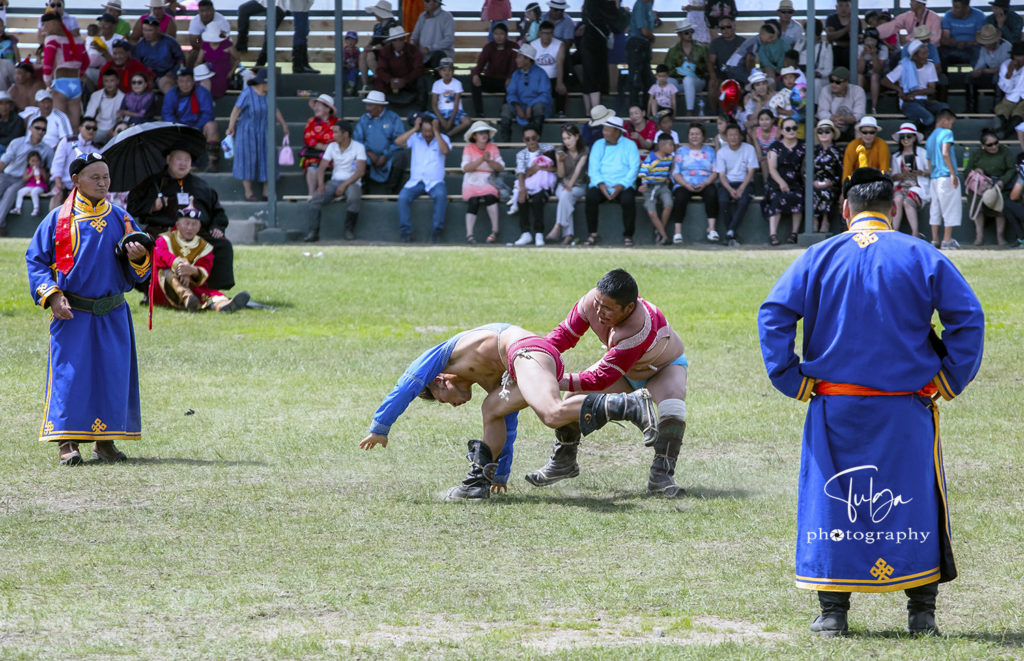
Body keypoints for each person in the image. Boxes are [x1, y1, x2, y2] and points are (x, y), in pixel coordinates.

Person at [757, 166, 984, 638]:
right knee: (913, 501)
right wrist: (947, 379)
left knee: (832, 500)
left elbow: (774, 313)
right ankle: (922, 614)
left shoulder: (818, 255)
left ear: (846, 210)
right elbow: (968, 318)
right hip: (905, 408)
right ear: (894, 210)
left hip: (834, 408)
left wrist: (790, 377)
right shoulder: (922, 254)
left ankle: (832, 614)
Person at [359, 322, 658, 501]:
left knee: (551, 414)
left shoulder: (441, 357)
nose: (451, 404)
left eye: (442, 398)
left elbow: (407, 385)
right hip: (529, 357)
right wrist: (501, 473)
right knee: (492, 409)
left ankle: (627, 404)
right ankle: (479, 482)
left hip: (527, 352)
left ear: (440, 380)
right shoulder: (486, 379)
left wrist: (379, 427)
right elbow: (508, 419)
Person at [26, 153, 152, 465]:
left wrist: (138, 258)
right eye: (94, 177)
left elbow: (141, 271)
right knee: (72, 377)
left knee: (112, 375)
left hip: (113, 313)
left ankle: (105, 442)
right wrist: (53, 296)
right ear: (76, 180)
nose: (102, 183)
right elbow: (37, 261)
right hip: (73, 314)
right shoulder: (57, 220)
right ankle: (67, 442)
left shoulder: (121, 218)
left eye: (106, 177)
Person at [527, 269, 689, 497]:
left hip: (663, 368)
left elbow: (601, 378)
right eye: (598, 303)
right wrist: (531, 358)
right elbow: (564, 335)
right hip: (624, 369)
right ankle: (564, 461)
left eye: (608, 308)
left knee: (673, 408)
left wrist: (552, 379)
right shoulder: (590, 302)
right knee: (572, 399)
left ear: (629, 308)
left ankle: (661, 476)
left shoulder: (639, 329)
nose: (599, 312)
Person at [127, 145, 234, 291]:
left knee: (222, 245)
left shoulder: (200, 185)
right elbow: (132, 206)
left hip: (195, 234)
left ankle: (211, 290)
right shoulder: (154, 183)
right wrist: (151, 206)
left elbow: (218, 211)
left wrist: (217, 227)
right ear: (169, 160)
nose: (183, 163)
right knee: (144, 247)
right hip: (162, 233)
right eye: (179, 159)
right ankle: (151, 289)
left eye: (187, 160)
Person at [153, 207, 249, 313]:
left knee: (208, 296)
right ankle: (186, 297)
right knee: (166, 272)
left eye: (194, 224)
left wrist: (192, 271)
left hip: (191, 286)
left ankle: (222, 306)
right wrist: (180, 267)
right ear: (178, 224)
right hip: (164, 289)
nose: (190, 228)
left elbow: (205, 268)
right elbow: (160, 256)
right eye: (187, 223)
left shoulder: (204, 247)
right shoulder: (165, 239)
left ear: (199, 227)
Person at [226, 69, 289, 202]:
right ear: (263, 82)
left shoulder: (269, 95)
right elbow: (236, 109)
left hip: (265, 132)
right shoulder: (247, 92)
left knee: (268, 159)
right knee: (247, 160)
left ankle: (267, 193)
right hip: (247, 132)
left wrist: (283, 124)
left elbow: (275, 109)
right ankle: (249, 193)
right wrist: (231, 126)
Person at [303, 121, 366, 242]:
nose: (333, 135)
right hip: (335, 181)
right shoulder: (332, 146)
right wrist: (321, 184)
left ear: (346, 134)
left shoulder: (359, 147)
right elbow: (321, 168)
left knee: (354, 198)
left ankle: (349, 230)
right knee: (315, 199)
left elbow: (360, 171)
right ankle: (313, 232)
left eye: (336, 132)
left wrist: (344, 185)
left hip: (352, 182)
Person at [584, 115, 640, 246]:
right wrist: (601, 185)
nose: (604, 133)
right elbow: (593, 168)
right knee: (591, 197)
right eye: (604, 129)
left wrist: (621, 186)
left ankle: (628, 235)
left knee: (628, 200)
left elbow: (634, 168)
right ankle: (592, 234)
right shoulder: (598, 144)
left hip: (623, 185)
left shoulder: (630, 145)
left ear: (617, 132)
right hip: (601, 184)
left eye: (607, 130)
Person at [396, 113, 450, 242]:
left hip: (435, 182)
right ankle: (406, 233)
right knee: (402, 198)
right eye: (425, 130)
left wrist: (436, 132)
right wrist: (415, 129)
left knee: (441, 195)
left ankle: (436, 232)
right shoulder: (415, 137)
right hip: (416, 182)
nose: (427, 134)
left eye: (430, 131)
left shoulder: (443, 138)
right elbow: (398, 142)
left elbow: (445, 151)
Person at [0, 117, 53, 234]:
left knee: (11, 192)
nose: (40, 132)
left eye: (44, 130)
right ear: (30, 128)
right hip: (7, 175)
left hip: (25, 179)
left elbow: (50, 170)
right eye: (37, 128)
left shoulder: (47, 150)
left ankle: (0, 223)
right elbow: (4, 161)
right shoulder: (17, 142)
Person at [162, 67, 221, 172]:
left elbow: (208, 114)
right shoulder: (171, 94)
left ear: (193, 81)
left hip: (198, 127)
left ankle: (213, 162)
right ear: (177, 82)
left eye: (188, 81)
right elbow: (167, 114)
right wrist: (179, 127)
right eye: (182, 81)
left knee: (212, 126)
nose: (185, 85)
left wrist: (195, 128)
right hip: (178, 128)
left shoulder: (202, 93)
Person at [963, 127, 1015, 245]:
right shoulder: (978, 154)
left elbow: (1011, 169)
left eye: (996, 143)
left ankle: (1000, 237)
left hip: (998, 185)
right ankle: (979, 236)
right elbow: (967, 171)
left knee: (1001, 204)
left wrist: (1002, 181)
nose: (994, 147)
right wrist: (976, 171)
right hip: (981, 186)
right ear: (983, 145)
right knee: (975, 199)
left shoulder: (1005, 151)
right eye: (990, 145)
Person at [883, 40, 945, 130]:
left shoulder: (930, 66)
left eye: (927, 53)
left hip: (924, 101)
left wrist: (915, 93)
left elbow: (932, 89)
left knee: (944, 109)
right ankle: (918, 135)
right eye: (923, 54)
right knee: (928, 118)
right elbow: (885, 81)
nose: (926, 56)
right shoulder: (903, 66)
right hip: (909, 102)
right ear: (914, 56)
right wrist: (900, 90)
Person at [509, 126, 556, 246]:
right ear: (524, 141)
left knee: (537, 200)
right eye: (527, 139)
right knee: (522, 199)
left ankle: (539, 234)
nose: (531, 142)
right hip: (528, 183)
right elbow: (521, 173)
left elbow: (555, 167)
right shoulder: (521, 154)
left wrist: (537, 168)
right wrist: (522, 190)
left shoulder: (548, 148)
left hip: (545, 183)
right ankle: (525, 234)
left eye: (533, 138)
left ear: (538, 138)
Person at [671, 122, 717, 244]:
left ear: (703, 136)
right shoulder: (681, 151)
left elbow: (715, 171)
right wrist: (686, 185)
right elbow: (676, 173)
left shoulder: (710, 151)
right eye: (691, 134)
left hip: (704, 183)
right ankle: (677, 232)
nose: (694, 136)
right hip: (685, 183)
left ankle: (711, 229)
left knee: (712, 194)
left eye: (697, 134)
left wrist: (706, 183)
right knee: (680, 197)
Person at [40, 11, 87, 131]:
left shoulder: (52, 38)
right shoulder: (78, 39)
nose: (44, 29)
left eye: (45, 25)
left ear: (54, 23)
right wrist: (80, 74)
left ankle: (63, 149)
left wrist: (47, 79)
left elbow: (49, 59)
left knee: (60, 124)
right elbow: (86, 61)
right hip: (75, 83)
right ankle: (74, 148)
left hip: (60, 83)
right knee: (74, 125)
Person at [354, 90, 407, 194]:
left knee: (401, 157)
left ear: (379, 106)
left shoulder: (393, 117)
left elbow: (399, 140)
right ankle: (364, 187)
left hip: (389, 156)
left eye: (370, 105)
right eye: (367, 105)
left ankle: (391, 189)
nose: (367, 109)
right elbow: (357, 140)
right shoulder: (364, 119)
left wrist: (385, 155)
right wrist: (368, 153)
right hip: (369, 156)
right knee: (358, 156)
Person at [713, 122, 757, 246]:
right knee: (723, 201)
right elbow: (721, 175)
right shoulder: (722, 152)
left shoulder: (749, 149)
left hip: (745, 183)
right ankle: (731, 233)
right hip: (727, 184)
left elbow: (751, 172)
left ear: (741, 136)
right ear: (726, 138)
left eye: (736, 135)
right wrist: (731, 190)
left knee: (743, 201)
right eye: (730, 135)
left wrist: (741, 188)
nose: (733, 138)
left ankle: (730, 232)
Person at [764, 117, 806, 245]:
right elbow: (772, 169)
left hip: (796, 182)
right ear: (782, 131)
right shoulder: (775, 147)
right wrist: (781, 183)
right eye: (788, 128)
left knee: (798, 197)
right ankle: (773, 235)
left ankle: (794, 234)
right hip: (777, 182)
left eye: (794, 128)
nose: (791, 131)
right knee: (776, 198)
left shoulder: (803, 145)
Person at [461, 120, 503, 244]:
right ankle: (469, 235)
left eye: (485, 132)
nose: (483, 134)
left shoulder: (493, 148)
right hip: (471, 180)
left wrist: (489, 161)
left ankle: (495, 231)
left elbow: (500, 167)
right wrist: (481, 159)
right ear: (474, 136)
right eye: (480, 133)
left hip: (488, 180)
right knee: (473, 201)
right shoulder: (468, 148)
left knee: (491, 197)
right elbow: (466, 168)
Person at [499, 44, 552, 143]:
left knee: (539, 107)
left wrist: (530, 106)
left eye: (519, 57)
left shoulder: (541, 73)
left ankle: (536, 140)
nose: (516, 59)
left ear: (527, 59)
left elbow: (545, 95)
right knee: (506, 108)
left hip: (534, 107)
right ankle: (505, 143)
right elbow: (511, 93)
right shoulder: (516, 74)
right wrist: (517, 106)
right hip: (520, 106)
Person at [926, 108, 962, 249]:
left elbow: (929, 160)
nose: (951, 126)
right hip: (946, 176)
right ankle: (947, 241)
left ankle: (935, 240)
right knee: (950, 209)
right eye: (951, 122)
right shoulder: (947, 133)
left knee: (935, 209)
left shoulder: (929, 137)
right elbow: (945, 153)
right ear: (944, 120)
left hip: (934, 178)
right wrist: (953, 173)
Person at [546, 124, 587, 244]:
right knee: (565, 196)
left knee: (565, 196)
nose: (567, 141)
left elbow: (578, 169)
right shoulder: (560, 150)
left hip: (579, 185)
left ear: (577, 137)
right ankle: (568, 235)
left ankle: (558, 225)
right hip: (562, 184)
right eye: (564, 138)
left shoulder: (584, 150)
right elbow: (561, 175)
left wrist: (570, 185)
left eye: (569, 138)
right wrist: (561, 162)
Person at [889, 122, 931, 238]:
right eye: (903, 137)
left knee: (907, 202)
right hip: (901, 185)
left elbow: (930, 171)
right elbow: (893, 177)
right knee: (897, 200)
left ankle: (915, 233)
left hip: (918, 186)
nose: (905, 139)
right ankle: (894, 232)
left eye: (909, 136)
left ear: (914, 138)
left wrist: (920, 172)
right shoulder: (896, 156)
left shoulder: (923, 153)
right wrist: (902, 174)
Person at [48, 117, 98, 212]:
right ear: (80, 128)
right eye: (88, 127)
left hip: (81, 184)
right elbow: (57, 163)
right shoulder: (67, 141)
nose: (91, 130)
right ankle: (54, 223)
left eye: (94, 129)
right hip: (61, 180)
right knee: (56, 195)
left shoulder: (96, 150)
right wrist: (58, 182)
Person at [375, 27, 431, 110]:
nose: (398, 43)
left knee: (422, 80)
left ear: (404, 40)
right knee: (378, 81)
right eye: (395, 40)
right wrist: (390, 80)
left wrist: (405, 80)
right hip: (391, 83)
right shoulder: (385, 51)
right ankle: (380, 108)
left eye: (401, 40)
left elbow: (418, 69)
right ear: (391, 42)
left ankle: (421, 109)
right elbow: (381, 69)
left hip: (410, 83)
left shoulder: (413, 50)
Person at [469, 22, 516, 117]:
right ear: (493, 35)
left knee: (514, 84)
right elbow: (480, 65)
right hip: (491, 79)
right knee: (474, 80)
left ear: (506, 35)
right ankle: (479, 112)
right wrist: (475, 75)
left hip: (506, 80)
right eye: (496, 34)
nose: (498, 37)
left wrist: (510, 78)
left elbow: (514, 66)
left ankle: (504, 112)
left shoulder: (513, 47)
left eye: (501, 34)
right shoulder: (488, 47)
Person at [664, 20, 708, 116]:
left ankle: (689, 112)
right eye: (686, 32)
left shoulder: (701, 48)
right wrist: (679, 71)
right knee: (667, 81)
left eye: (691, 31)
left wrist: (696, 68)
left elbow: (708, 68)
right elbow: (667, 70)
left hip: (697, 80)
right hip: (679, 81)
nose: (690, 34)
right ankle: (667, 111)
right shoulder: (673, 50)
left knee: (688, 79)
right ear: (679, 35)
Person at [638, 133, 675, 245]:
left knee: (668, 204)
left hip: (662, 186)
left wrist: (668, 177)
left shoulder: (670, 157)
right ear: (661, 145)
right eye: (670, 145)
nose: (673, 147)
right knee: (651, 212)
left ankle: (660, 232)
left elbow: (670, 170)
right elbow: (643, 173)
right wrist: (643, 184)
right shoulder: (651, 158)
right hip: (650, 188)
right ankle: (664, 236)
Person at [133, 16, 184, 94]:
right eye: (145, 30)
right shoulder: (140, 45)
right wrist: (145, 76)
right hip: (147, 76)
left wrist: (174, 73)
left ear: (157, 30)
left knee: (167, 86)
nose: (147, 33)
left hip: (166, 75)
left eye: (150, 30)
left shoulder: (170, 42)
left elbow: (181, 60)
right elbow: (136, 64)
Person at [300, 94, 338, 198]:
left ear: (327, 108)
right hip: (316, 155)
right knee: (312, 167)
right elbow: (308, 139)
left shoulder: (337, 122)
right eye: (315, 105)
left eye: (319, 106)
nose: (315, 108)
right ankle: (312, 195)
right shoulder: (311, 121)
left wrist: (330, 149)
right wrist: (323, 147)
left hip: (334, 155)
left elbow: (341, 139)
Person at [529, 21, 569, 118]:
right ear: (539, 33)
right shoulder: (532, 45)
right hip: (538, 79)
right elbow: (529, 65)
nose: (547, 36)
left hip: (553, 78)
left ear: (553, 33)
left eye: (549, 33)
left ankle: (560, 112)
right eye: (544, 33)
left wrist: (560, 82)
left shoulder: (560, 45)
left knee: (562, 89)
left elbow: (560, 64)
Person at [968, 24, 1010, 113]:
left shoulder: (1006, 46)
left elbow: (1006, 67)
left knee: (998, 77)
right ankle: (972, 109)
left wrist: (984, 70)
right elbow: (980, 64)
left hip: (1005, 75)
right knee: (970, 78)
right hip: (989, 73)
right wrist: (976, 72)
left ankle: (996, 108)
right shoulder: (983, 49)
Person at [360, 0, 400, 92]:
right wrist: (368, 46)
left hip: (389, 52)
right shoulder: (377, 26)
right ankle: (365, 84)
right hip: (377, 50)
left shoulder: (393, 25)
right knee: (363, 55)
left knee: (370, 56)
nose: (375, 14)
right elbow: (374, 40)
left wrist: (374, 47)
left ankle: (381, 80)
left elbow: (392, 42)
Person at [812, 119, 844, 234]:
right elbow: (805, 170)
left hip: (831, 184)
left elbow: (841, 172)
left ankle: (825, 220)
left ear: (833, 134)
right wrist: (812, 182)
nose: (824, 134)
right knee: (812, 192)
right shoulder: (812, 151)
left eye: (827, 131)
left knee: (826, 192)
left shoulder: (838, 152)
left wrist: (832, 182)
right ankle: (814, 219)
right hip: (814, 183)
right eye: (820, 131)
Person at [707, 16, 742, 114]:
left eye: (728, 27)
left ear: (734, 26)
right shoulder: (715, 43)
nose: (725, 30)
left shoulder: (742, 42)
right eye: (722, 28)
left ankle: (735, 114)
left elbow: (748, 62)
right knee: (712, 84)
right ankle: (714, 114)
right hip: (721, 74)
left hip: (739, 74)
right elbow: (710, 62)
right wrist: (713, 76)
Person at [940, 0, 986, 72]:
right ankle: (946, 80)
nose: (953, 10)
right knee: (941, 52)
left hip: (972, 47)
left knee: (980, 52)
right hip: (953, 47)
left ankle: (973, 79)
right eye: (953, 7)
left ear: (966, 7)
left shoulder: (979, 15)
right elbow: (945, 39)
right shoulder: (948, 15)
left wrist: (967, 44)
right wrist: (956, 43)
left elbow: (980, 38)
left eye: (957, 7)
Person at [842, 116, 890, 185]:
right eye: (865, 132)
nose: (868, 135)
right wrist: (845, 189)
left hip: (876, 182)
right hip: (856, 182)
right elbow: (847, 170)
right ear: (860, 132)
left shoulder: (882, 145)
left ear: (876, 133)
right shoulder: (852, 146)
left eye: (872, 132)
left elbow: (884, 170)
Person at [430, 57, 470, 137]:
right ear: (439, 72)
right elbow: (434, 104)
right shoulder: (436, 84)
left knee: (467, 122)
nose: (447, 72)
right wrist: (442, 120)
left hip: (456, 111)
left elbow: (456, 104)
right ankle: (437, 136)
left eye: (449, 70)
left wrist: (450, 121)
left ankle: (448, 135)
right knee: (430, 122)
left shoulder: (457, 83)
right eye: (444, 70)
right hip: (441, 111)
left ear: (453, 72)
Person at [410, 0, 455, 70]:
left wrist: (429, 48)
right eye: (424, 1)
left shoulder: (447, 17)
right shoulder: (422, 16)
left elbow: (448, 40)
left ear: (437, 3)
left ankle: (438, 80)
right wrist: (413, 43)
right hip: (423, 56)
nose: (424, 3)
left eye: (427, 1)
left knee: (439, 55)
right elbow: (414, 36)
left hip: (440, 57)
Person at [193, 24, 234, 100]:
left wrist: (231, 72)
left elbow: (237, 59)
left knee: (217, 84)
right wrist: (197, 70)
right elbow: (198, 61)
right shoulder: (204, 45)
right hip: (208, 72)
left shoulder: (227, 44)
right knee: (202, 83)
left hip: (224, 73)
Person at [877, 0, 942, 47]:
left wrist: (909, 39)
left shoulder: (934, 18)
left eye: (912, 1)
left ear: (920, 3)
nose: (910, 4)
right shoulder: (908, 16)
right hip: (912, 48)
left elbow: (934, 39)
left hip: (929, 49)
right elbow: (893, 25)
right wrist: (876, 32)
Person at [187, 0, 231, 67]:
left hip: (221, 48)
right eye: (202, 11)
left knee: (229, 55)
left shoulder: (221, 21)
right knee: (193, 55)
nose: (205, 14)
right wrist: (204, 48)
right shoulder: (195, 21)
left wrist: (213, 50)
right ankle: (191, 75)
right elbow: (194, 41)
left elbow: (224, 39)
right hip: (202, 48)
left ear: (213, 11)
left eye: (208, 10)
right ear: (198, 11)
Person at [85, 69, 124, 144]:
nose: (109, 84)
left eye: (112, 81)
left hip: (113, 130)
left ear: (117, 81)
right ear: (103, 82)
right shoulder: (96, 95)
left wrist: (114, 129)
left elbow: (123, 119)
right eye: (106, 81)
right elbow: (88, 116)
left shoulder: (123, 97)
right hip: (97, 129)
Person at [995, 42, 1024, 138]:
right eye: (1016, 55)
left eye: (1021, 55)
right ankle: (999, 131)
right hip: (1011, 96)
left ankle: (1003, 134)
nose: (1018, 58)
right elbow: (1006, 89)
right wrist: (1009, 74)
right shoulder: (1005, 65)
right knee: (1001, 111)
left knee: (1018, 114)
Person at [85, 14, 124, 85]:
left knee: (86, 73)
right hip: (94, 70)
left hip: (112, 73)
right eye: (100, 24)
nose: (102, 26)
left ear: (114, 25)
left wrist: (102, 50)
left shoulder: (120, 39)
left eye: (105, 24)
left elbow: (118, 64)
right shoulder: (96, 39)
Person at [11, 150, 47, 216]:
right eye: (33, 161)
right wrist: (31, 174)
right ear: (28, 161)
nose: (35, 163)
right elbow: (24, 180)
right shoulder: (27, 170)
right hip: (30, 186)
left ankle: (36, 209)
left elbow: (46, 180)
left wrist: (41, 173)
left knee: (34, 192)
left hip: (40, 186)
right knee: (20, 192)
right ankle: (18, 208)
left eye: (37, 161)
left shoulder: (41, 169)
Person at [825, 0, 852, 67]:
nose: (843, 8)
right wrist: (846, 29)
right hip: (834, 50)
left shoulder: (854, 19)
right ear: (836, 7)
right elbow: (830, 37)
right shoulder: (831, 19)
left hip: (850, 51)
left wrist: (837, 37)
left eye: (847, 5)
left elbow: (856, 40)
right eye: (840, 5)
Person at [0, 90, 23, 155]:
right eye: (1, 104)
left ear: (11, 106)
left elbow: (15, 137)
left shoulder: (18, 120)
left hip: (14, 148)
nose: (4, 107)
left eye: (6, 103)